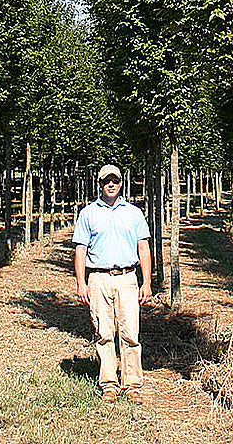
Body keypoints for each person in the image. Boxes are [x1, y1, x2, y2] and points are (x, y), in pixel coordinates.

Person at [72, 163, 152, 404]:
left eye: (115, 180)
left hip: (128, 278)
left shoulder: (134, 213)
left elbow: (143, 249)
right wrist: (81, 282)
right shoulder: (88, 213)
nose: (111, 184)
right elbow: (80, 249)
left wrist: (146, 282)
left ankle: (132, 384)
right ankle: (109, 384)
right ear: (99, 183)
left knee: (130, 333)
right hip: (98, 279)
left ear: (121, 183)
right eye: (106, 180)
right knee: (104, 333)